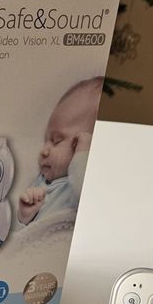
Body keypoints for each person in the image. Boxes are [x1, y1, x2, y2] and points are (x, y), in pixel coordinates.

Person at [16, 76, 103, 227]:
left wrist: (82, 153)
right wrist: (24, 216)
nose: (44, 151)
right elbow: (23, 236)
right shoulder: (41, 182)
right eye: (45, 141)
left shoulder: (80, 183)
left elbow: (86, 196)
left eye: (56, 141)